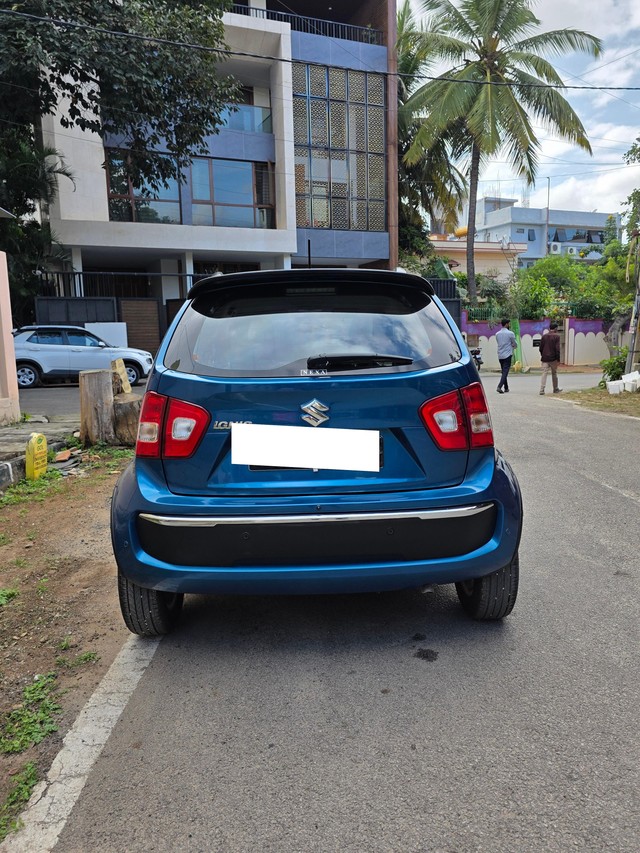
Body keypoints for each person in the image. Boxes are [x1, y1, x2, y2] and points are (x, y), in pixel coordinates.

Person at [539, 321, 562, 395]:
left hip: (545, 358)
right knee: (554, 374)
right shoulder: (557, 336)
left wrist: (543, 355)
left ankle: (542, 390)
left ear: (549, 328)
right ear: (555, 329)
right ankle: (555, 389)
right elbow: (557, 349)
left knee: (544, 373)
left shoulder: (544, 336)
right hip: (553, 358)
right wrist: (558, 359)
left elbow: (540, 348)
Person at [495, 318, 517, 393]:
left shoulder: (497, 334)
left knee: (504, 371)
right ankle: (499, 386)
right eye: (509, 323)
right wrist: (513, 346)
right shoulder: (510, 333)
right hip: (507, 354)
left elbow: (499, 343)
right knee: (505, 371)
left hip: (500, 355)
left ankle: (506, 387)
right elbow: (514, 343)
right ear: (507, 324)